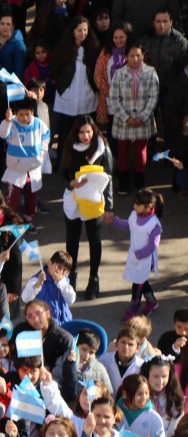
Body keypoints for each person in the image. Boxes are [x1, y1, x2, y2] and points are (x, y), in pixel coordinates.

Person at [60, 116, 113, 297]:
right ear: (76, 132)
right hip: (73, 199)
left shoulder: (101, 147)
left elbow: (109, 177)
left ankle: (93, 280)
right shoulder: (69, 147)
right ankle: (71, 276)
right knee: (72, 239)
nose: (85, 136)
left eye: (88, 131)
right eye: (81, 132)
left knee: (94, 239)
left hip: (94, 200)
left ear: (94, 130)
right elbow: (62, 173)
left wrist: (110, 207)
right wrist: (71, 183)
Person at [109, 43, 160, 195]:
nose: (135, 58)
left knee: (141, 153)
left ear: (143, 55)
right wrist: (126, 118)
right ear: (126, 57)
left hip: (143, 122)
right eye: (131, 55)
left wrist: (142, 117)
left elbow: (153, 97)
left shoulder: (151, 73)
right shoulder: (119, 74)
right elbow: (114, 98)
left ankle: (139, 183)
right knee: (123, 153)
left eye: (138, 55)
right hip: (123, 122)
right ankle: (123, 184)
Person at [106, 188, 164, 320]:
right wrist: (115, 221)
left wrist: (141, 253)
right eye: (135, 203)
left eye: (138, 204)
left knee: (137, 284)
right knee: (141, 281)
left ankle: (134, 307)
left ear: (148, 207)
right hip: (135, 257)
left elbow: (153, 245)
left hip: (146, 260)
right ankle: (152, 301)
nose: (134, 206)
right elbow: (130, 225)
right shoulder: (134, 215)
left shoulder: (155, 225)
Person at [51, 16, 101, 161]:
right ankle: (63, 162)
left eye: (85, 30)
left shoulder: (93, 48)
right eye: (79, 30)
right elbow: (55, 70)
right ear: (72, 31)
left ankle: (87, 161)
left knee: (86, 131)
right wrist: (63, 88)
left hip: (87, 96)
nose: (83, 33)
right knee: (65, 131)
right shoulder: (63, 48)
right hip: (67, 96)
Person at [0, 10, 26, 78]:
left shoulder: (18, 44)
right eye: (2, 23)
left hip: (8, 80)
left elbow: (19, 69)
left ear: (13, 26)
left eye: (8, 24)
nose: (5, 27)